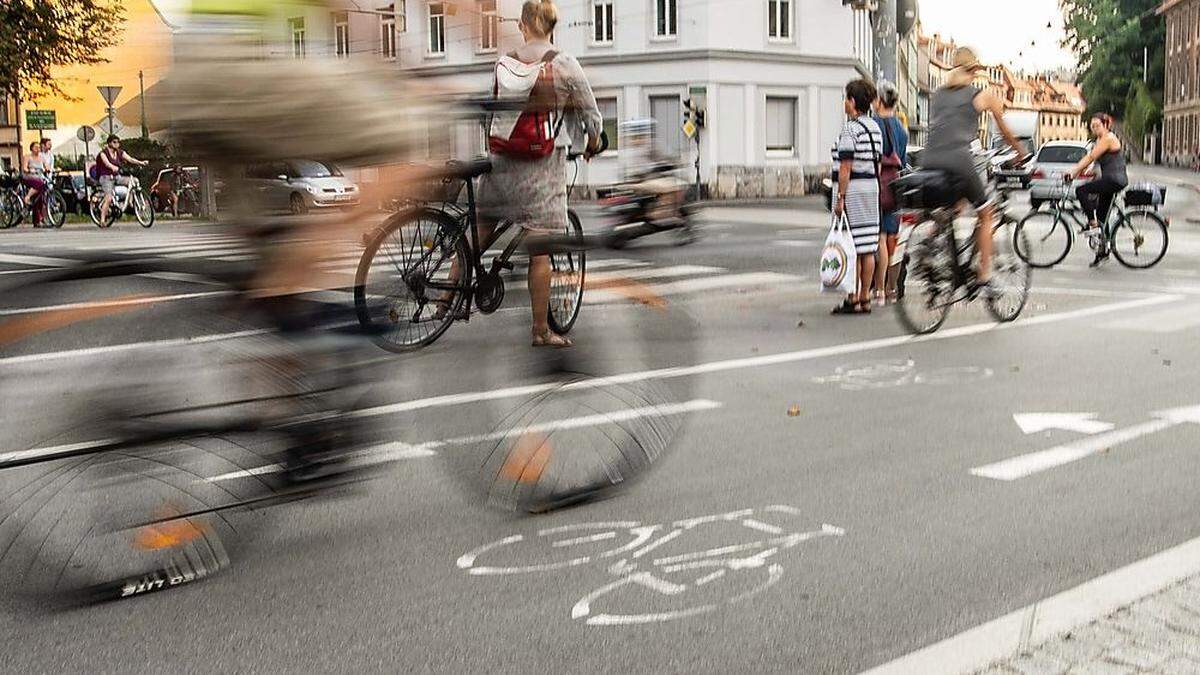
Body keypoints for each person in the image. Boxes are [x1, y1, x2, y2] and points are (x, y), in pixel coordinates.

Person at [477, 0, 603, 346]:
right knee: (541, 249)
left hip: (500, 162)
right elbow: (591, 116)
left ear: (525, 25)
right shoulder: (564, 63)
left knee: (480, 230)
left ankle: (445, 299)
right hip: (541, 167)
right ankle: (541, 330)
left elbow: (492, 110)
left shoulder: (504, 62)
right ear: (551, 25)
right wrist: (592, 143)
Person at [921, 47, 1026, 291]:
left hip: (929, 158)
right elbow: (1004, 130)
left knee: (952, 207)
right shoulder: (981, 95)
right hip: (958, 158)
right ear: (975, 70)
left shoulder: (938, 94)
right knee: (986, 213)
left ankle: (929, 246)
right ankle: (984, 274)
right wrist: (1020, 152)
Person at [831, 79, 883, 315]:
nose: (844, 102)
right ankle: (865, 297)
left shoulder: (850, 129)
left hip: (853, 189)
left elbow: (845, 167)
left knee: (851, 245)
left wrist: (840, 197)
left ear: (852, 102)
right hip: (872, 187)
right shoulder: (874, 127)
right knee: (868, 246)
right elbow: (878, 164)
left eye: (846, 98)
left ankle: (852, 297)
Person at [1067, 113, 1128, 267]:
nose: (1094, 128)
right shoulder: (1100, 140)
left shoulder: (1108, 138)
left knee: (1081, 191)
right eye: (1092, 126)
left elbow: (1091, 157)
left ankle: (1092, 224)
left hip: (1114, 179)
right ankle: (1102, 252)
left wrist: (1074, 172)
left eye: (1097, 125)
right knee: (1102, 217)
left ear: (1105, 125)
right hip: (1111, 179)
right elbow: (1097, 163)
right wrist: (1085, 172)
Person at [872, 81, 908, 305]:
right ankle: (892, 287)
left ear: (879, 101)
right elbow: (902, 162)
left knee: (880, 239)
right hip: (895, 186)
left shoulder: (874, 125)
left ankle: (878, 290)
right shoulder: (902, 130)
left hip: (878, 186)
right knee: (893, 239)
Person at [95, 136, 148, 224]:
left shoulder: (120, 152)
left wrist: (141, 162)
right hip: (105, 177)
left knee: (134, 181)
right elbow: (107, 163)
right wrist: (112, 167)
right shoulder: (103, 153)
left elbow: (130, 159)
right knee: (108, 198)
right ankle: (102, 220)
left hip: (117, 176)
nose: (117, 144)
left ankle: (130, 201)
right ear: (109, 143)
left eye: (118, 142)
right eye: (114, 142)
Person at [20, 141, 48, 227]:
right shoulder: (27, 157)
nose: (38, 149)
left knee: (39, 197)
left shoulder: (41, 157)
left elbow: (46, 166)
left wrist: (48, 169)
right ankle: (27, 196)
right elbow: (24, 167)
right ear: (31, 148)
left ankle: (37, 221)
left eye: (39, 147)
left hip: (39, 178)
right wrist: (29, 170)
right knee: (39, 184)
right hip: (29, 178)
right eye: (36, 147)